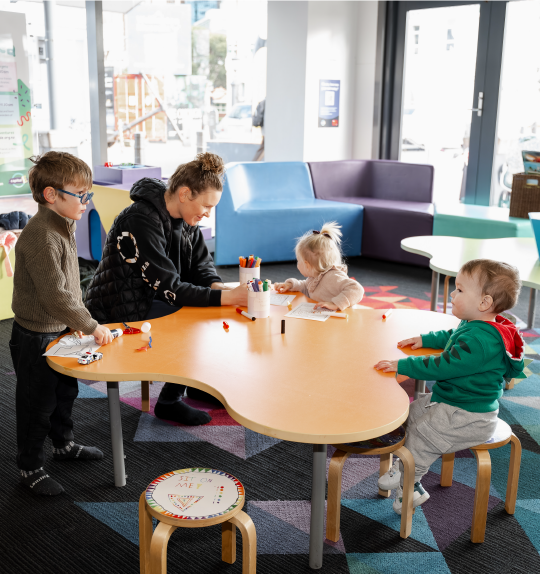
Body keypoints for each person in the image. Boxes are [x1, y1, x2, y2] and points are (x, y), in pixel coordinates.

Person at [85, 152, 247, 426]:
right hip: (119, 308)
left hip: (150, 299)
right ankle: (169, 401)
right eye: (207, 206)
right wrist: (227, 296)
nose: (208, 213)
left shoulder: (186, 219)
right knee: (196, 318)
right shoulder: (139, 220)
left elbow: (202, 266)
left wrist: (219, 287)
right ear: (185, 194)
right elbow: (170, 287)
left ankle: (196, 383)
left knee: (215, 310)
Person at [374, 259, 525, 514]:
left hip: (469, 416)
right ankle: (403, 469)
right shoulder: (476, 324)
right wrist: (424, 338)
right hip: (454, 402)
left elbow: (443, 365)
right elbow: (451, 337)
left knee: (422, 436)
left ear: (484, 302)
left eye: (460, 290)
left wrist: (403, 365)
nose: (453, 294)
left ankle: (412, 487)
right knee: (410, 415)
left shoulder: (480, 341)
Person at [10, 152, 114, 496]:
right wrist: (90, 324)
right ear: (51, 195)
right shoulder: (42, 235)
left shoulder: (62, 224)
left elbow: (69, 286)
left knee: (64, 393)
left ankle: (63, 445)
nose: (86, 201)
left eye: (89, 194)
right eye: (80, 195)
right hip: (36, 336)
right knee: (36, 404)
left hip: (61, 329)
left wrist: (77, 323)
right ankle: (29, 467)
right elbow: (56, 295)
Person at [274, 222, 364, 311]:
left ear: (307, 265)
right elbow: (307, 287)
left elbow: (357, 290)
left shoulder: (332, 277)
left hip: (343, 319)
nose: (297, 264)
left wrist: (335, 304)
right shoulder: (315, 277)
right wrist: (290, 285)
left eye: (298, 261)